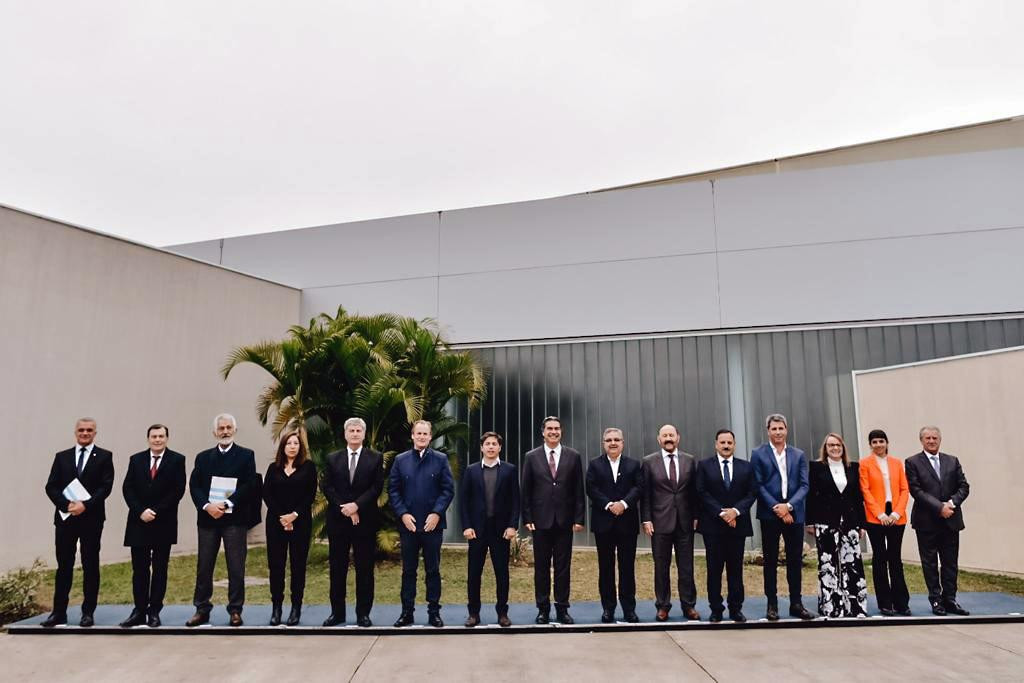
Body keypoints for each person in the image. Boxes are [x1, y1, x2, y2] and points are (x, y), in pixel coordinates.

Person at [42, 418, 115, 628]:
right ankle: (58, 613)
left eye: (89, 430)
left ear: (95, 433)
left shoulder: (104, 456)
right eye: (81, 430)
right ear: (75, 432)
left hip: (91, 519)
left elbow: (106, 487)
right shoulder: (62, 457)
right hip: (66, 519)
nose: (85, 433)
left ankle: (88, 612)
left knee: (90, 564)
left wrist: (86, 505)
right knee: (64, 565)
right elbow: (51, 486)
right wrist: (66, 505)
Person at [186, 413, 257, 627]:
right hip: (208, 519)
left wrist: (226, 504)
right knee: (204, 566)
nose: (225, 431)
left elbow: (249, 485)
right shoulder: (203, 457)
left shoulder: (246, 455)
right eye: (221, 428)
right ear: (214, 432)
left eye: (228, 427)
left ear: (234, 430)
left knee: (236, 566)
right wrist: (207, 506)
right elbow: (195, 485)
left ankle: (235, 609)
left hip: (234, 519)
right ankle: (202, 609)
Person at [389, 420, 455, 627]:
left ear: (430, 436)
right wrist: (403, 514)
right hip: (408, 526)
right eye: (418, 433)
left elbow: (447, 490)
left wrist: (436, 513)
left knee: (433, 571)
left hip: (432, 526)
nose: (422, 437)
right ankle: (406, 612)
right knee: (408, 571)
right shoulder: (400, 460)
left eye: (425, 434)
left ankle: (434, 612)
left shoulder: (441, 459)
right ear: (412, 436)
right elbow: (393, 490)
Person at [119, 424, 186, 628]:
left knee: (159, 569)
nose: (157, 439)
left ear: (167, 438)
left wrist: (156, 511)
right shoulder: (136, 459)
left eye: (161, 436)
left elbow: (178, 490)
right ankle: (139, 610)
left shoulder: (177, 459)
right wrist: (140, 511)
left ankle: (154, 611)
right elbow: (127, 487)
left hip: (162, 522)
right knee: (139, 569)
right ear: (148, 438)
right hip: (138, 522)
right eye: (154, 436)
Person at [521, 415, 586, 625]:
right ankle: (543, 609)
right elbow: (526, 490)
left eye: (557, 428)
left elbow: (579, 489)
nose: (553, 432)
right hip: (540, 521)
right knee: (541, 567)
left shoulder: (573, 456)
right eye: (549, 428)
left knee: (562, 567)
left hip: (564, 521)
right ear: (543, 432)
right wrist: (527, 517)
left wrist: (579, 518)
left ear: (561, 431)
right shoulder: (531, 457)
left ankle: (562, 608)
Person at [321, 417, 384, 627]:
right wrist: (345, 508)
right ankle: (337, 613)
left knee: (365, 570)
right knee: (337, 569)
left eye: (358, 430)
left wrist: (357, 506)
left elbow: (376, 488)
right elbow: (327, 486)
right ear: (345, 434)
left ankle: (363, 614)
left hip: (364, 521)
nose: (355, 433)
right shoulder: (332, 458)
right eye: (351, 430)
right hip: (338, 521)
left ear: (364, 434)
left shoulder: (375, 458)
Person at [751, 413, 814, 620]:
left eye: (781, 428)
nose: (778, 432)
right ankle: (772, 605)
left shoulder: (798, 454)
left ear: (786, 430)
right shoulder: (758, 454)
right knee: (770, 561)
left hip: (794, 513)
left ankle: (796, 603)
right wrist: (777, 508)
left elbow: (805, 485)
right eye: (774, 429)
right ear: (768, 431)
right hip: (770, 514)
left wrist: (789, 507)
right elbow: (758, 485)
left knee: (795, 560)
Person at [905, 425, 971, 616]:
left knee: (950, 563)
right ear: (921, 441)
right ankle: (935, 600)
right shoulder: (912, 462)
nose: (931, 441)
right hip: (926, 522)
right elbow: (916, 490)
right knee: (930, 563)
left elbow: (964, 486)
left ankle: (950, 599)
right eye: (928, 438)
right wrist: (939, 507)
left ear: (940, 440)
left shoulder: (952, 461)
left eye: (935, 438)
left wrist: (950, 504)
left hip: (951, 520)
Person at [459, 431, 520, 627]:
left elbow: (515, 501)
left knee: (502, 573)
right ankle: (473, 614)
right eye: (488, 444)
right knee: (473, 573)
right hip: (477, 530)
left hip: (500, 531)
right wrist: (467, 526)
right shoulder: (471, 470)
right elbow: (464, 501)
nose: (491, 447)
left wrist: (512, 525)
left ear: (500, 447)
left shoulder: (510, 470)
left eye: (495, 444)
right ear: (482, 447)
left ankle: (502, 613)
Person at [696, 429, 756, 623]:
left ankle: (736, 608)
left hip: (737, 526)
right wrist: (722, 513)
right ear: (716, 444)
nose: (726, 445)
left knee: (735, 569)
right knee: (714, 570)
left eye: (729, 442)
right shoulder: (704, 466)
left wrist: (735, 512)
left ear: (734, 444)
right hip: (713, 526)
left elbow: (751, 493)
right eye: (722, 442)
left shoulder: (746, 467)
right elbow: (701, 492)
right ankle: (716, 609)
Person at [641, 424, 700, 622]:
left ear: (678, 438)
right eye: (665, 435)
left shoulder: (690, 460)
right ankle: (663, 606)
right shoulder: (648, 462)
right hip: (659, 522)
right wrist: (646, 518)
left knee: (686, 567)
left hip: (685, 522)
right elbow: (645, 494)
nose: (668, 438)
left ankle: (689, 606)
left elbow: (695, 492)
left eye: (671, 435)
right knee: (661, 567)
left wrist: (696, 516)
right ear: (659, 439)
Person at [806, 433, 868, 618]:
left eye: (838, 445)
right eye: (831, 445)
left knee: (852, 563)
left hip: (850, 521)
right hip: (825, 521)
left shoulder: (853, 467)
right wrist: (810, 522)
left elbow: (858, 497)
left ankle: (856, 607)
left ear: (843, 447)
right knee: (828, 564)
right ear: (825, 448)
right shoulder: (816, 468)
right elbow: (811, 497)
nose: (835, 448)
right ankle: (831, 607)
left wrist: (862, 524)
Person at [585, 427, 642, 623]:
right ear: (604, 443)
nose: (613, 443)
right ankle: (608, 609)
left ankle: (629, 609)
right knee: (606, 568)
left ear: (623, 443)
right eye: (609, 440)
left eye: (617, 439)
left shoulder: (634, 465)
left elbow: (639, 487)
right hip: (604, 524)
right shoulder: (594, 465)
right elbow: (591, 488)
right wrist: (609, 505)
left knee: (627, 569)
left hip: (627, 523)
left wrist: (623, 504)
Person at [263, 429, 317, 626]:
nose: (292, 446)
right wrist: (282, 517)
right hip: (276, 523)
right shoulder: (273, 468)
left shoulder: (308, 467)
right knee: (276, 566)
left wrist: (293, 516)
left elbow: (310, 495)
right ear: (282, 447)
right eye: (289, 443)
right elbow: (267, 494)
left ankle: (296, 608)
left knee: (298, 566)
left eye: (296, 443)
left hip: (300, 523)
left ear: (300, 447)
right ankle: (276, 607)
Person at [859, 428, 911, 617]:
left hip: (897, 518)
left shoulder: (897, 463)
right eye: (874, 442)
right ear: (870, 445)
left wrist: (897, 513)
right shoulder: (865, 464)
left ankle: (901, 603)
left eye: (881, 441)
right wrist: (880, 514)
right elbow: (865, 491)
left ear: (887, 443)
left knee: (895, 560)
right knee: (880, 559)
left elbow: (905, 489)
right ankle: (885, 603)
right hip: (875, 518)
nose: (878, 445)